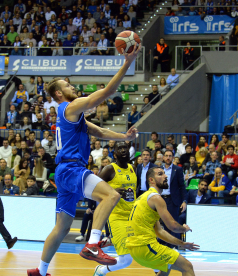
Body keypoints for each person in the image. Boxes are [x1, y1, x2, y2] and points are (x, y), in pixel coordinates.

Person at [27, 44, 141, 276]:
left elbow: (98, 132)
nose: (72, 87)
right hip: (71, 169)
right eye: (67, 85)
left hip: (64, 172)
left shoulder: (71, 116)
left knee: (61, 227)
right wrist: (127, 63)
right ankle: (92, 243)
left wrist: (124, 136)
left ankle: (41, 270)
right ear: (59, 93)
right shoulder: (70, 106)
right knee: (111, 195)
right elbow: (107, 91)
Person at [126, 166, 199, 276]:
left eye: (165, 173)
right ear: (151, 180)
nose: (165, 176)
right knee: (187, 267)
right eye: (160, 174)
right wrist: (185, 229)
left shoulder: (144, 197)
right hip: (146, 246)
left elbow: (159, 231)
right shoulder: (156, 198)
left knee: (167, 266)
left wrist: (182, 243)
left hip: (135, 249)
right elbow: (173, 226)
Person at [94, 141, 136, 275]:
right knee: (126, 260)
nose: (123, 150)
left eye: (125, 148)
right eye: (120, 148)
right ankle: (101, 270)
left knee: (145, 248)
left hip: (133, 216)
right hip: (117, 216)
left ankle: (111, 240)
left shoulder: (132, 167)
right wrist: (112, 191)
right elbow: (94, 190)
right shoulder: (109, 169)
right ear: (115, 153)